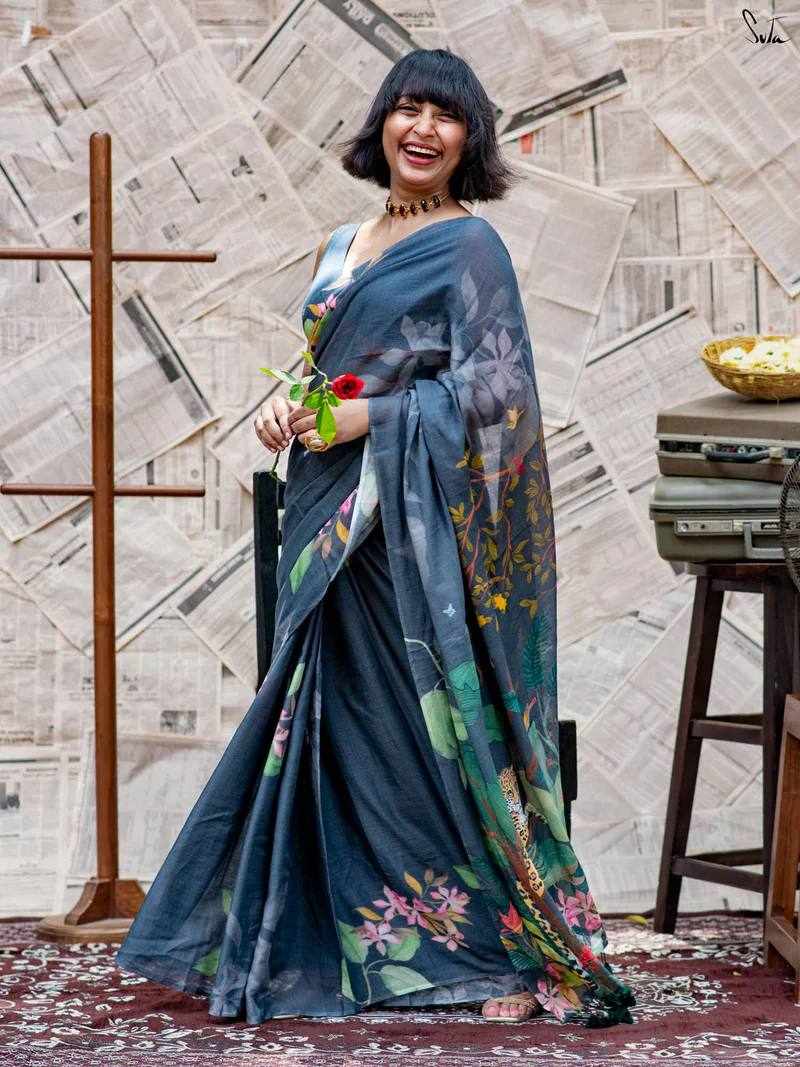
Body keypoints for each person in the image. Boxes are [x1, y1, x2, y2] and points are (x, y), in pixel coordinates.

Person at [116, 48, 636, 1029]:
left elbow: (500, 392)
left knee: (425, 739)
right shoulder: (343, 241)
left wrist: (372, 419)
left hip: (407, 530)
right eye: (408, 108)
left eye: (445, 114)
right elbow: (328, 368)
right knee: (337, 729)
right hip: (324, 514)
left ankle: (500, 947)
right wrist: (287, 406)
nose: (423, 129)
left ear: (469, 139)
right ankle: (326, 937)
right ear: (382, 123)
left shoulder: (470, 246)